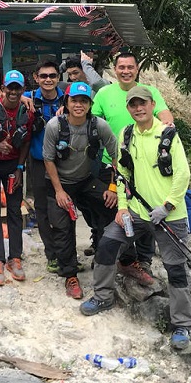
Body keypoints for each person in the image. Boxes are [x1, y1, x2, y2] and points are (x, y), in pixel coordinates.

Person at [81, 86, 191, 354]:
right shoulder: (126, 134)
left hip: (169, 215)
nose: (138, 108)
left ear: (152, 104)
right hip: (136, 212)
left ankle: (182, 325)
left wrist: (167, 206)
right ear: (129, 108)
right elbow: (122, 174)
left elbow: (183, 175)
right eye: (133, 105)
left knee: (176, 268)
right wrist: (121, 208)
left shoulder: (167, 134)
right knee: (107, 243)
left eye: (142, 103)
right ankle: (103, 297)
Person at [90, 51, 174, 284]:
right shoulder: (104, 93)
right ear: (114, 69)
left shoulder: (150, 92)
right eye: (121, 67)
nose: (125, 71)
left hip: (146, 165)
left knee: (146, 209)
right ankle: (116, 256)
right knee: (113, 211)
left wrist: (168, 126)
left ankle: (142, 260)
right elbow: (90, 118)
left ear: (137, 69)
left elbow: (165, 114)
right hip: (113, 162)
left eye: (130, 67)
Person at [43, 82, 117, 300]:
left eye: (83, 101)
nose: (78, 105)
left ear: (90, 104)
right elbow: (48, 159)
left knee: (111, 208)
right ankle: (70, 274)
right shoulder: (54, 126)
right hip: (59, 183)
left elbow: (116, 156)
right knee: (63, 226)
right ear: (66, 102)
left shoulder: (98, 126)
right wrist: (59, 191)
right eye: (74, 100)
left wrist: (113, 187)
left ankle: (104, 256)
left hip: (85, 180)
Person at [0, 70, 33, 287]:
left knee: (14, 210)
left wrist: (20, 166)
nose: (13, 92)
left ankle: (15, 258)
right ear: (3, 88)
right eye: (9, 87)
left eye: (17, 88)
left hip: (13, 165)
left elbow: (27, 140)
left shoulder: (27, 112)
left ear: (22, 90)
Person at [23, 60, 64, 273]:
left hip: (63, 162)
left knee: (63, 207)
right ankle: (52, 254)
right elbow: (1, 99)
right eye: (44, 76)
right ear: (36, 78)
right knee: (42, 208)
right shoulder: (28, 98)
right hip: (38, 161)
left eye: (52, 76)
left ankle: (66, 251)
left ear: (58, 78)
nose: (48, 80)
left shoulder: (68, 99)